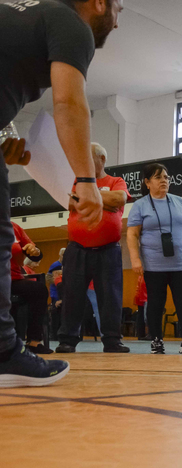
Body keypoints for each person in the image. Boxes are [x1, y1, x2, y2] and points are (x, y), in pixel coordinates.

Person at [0, 0, 123, 386]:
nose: (118, 21)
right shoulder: (70, 23)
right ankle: (3, 351)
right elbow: (69, 102)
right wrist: (86, 180)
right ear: (98, 3)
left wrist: (4, 136)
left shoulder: (26, 14)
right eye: (119, 7)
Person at [55, 142, 129, 353]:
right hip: (77, 249)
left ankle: (112, 340)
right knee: (72, 296)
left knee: (111, 297)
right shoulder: (75, 181)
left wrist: (87, 197)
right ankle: (67, 340)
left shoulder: (116, 181)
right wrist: (102, 200)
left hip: (109, 250)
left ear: (101, 159)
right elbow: (69, 202)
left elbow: (119, 199)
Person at [126, 163, 182, 354]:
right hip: (154, 265)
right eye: (158, 177)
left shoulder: (178, 201)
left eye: (166, 177)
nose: (164, 180)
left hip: (180, 263)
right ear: (147, 182)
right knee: (155, 303)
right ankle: (156, 340)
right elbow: (132, 234)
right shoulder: (140, 205)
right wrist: (135, 259)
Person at [8, 225, 49, 354]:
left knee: (38, 289)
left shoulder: (14, 228)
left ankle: (34, 342)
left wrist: (35, 251)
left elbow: (35, 253)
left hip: (13, 279)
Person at [133, 274, 148, 340]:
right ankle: (144, 334)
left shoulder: (140, 276)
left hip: (141, 298)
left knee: (142, 316)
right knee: (145, 316)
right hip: (144, 298)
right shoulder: (143, 277)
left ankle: (141, 334)